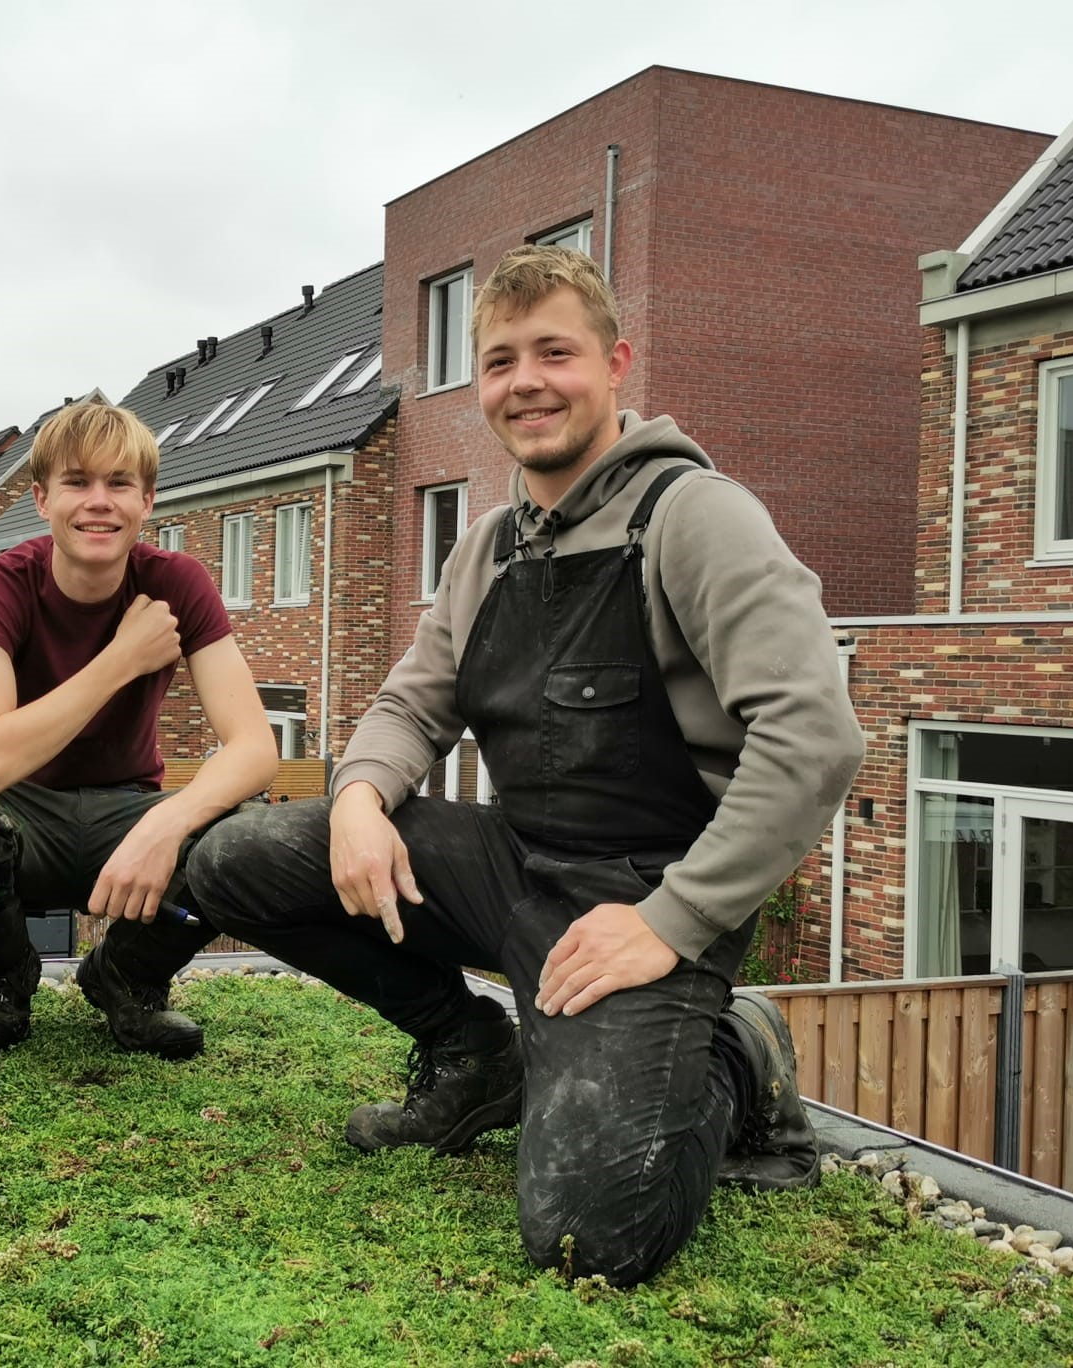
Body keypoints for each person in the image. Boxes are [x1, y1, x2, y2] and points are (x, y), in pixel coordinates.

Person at [188, 246, 863, 1286]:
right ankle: (475, 1056)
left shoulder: (696, 518)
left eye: (556, 352)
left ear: (616, 363)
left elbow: (814, 738)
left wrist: (667, 925)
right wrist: (361, 798)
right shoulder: (490, 544)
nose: (527, 382)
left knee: (589, 1237)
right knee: (238, 857)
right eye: (501, 361)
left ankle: (738, 1053)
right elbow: (414, 700)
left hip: (646, 899)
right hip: (516, 869)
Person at [0, 400, 278, 1057]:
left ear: (148, 501)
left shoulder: (178, 582)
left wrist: (167, 824)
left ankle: (128, 979)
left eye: (119, 483)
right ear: (43, 499)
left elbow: (254, 747)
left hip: (126, 809)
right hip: (16, 809)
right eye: (78, 482)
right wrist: (121, 660)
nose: (98, 502)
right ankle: (2, 979)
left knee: (253, 837)